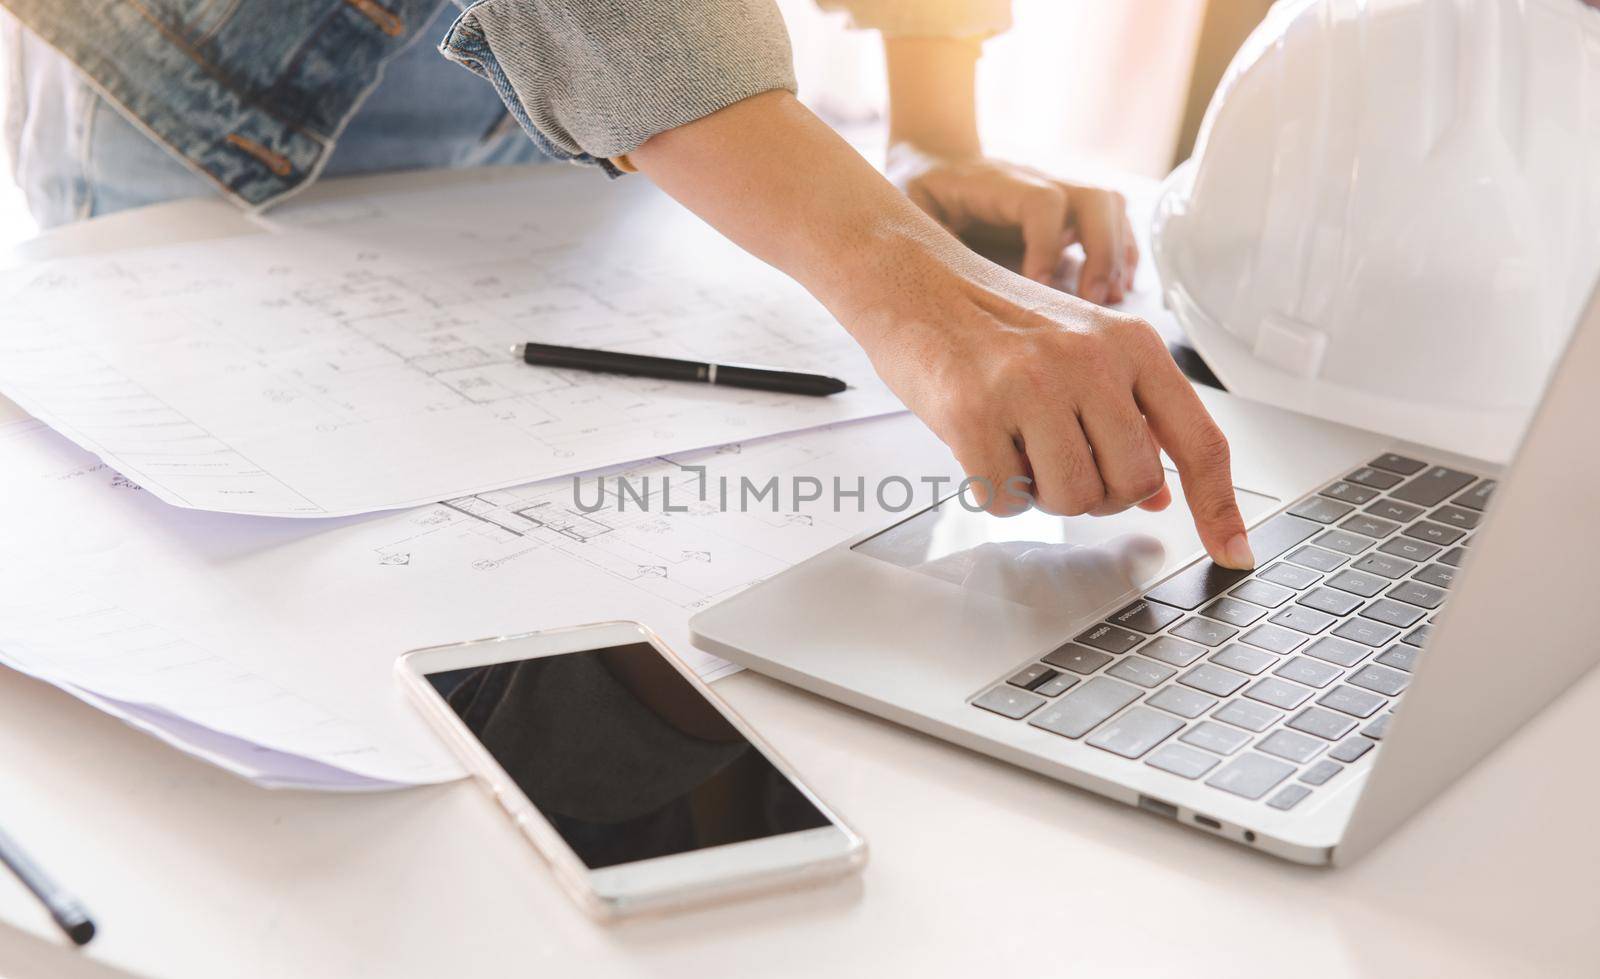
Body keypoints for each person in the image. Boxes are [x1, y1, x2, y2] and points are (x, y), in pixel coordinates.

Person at [0, 0, 1254, 570]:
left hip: (572, 104)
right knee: (264, 566)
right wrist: (904, 279)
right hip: (227, 105)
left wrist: (933, 129)